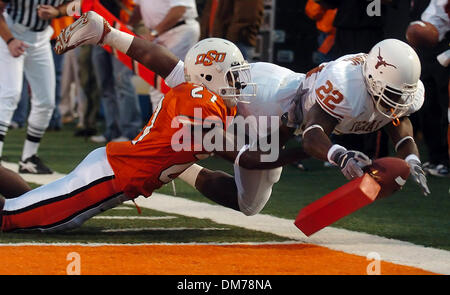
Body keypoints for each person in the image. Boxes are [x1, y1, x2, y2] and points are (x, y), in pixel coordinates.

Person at [57, 11, 430, 218]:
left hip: (280, 106)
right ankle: (180, 155)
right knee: (192, 89)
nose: (395, 102)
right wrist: (341, 155)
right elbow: (314, 134)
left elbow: (399, 120)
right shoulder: (345, 84)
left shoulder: (394, 89)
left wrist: (410, 156)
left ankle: (108, 34)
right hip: (268, 100)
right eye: (391, 94)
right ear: (371, 77)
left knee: (249, 203)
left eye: (402, 96)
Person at [1, 12, 305, 232]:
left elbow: (157, 57)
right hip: (107, 180)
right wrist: (306, 145)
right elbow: (249, 159)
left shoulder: (196, 93)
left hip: (109, 171)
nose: (239, 85)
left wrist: (109, 35)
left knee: (27, 203)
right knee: (11, 217)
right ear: (209, 77)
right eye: (233, 76)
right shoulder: (201, 103)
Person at [0, 0, 77, 174]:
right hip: (10, 33)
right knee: (9, 95)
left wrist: (57, 12)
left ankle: (28, 158)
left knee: (47, 101)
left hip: (41, 38)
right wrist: (10, 40)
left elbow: (79, 4)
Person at [128, 0, 200, 112]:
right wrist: (128, 25)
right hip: (160, 34)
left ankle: (165, 125)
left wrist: (154, 33)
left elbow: (179, 10)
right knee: (160, 82)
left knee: (164, 81)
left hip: (179, 30)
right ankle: (165, 123)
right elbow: (139, 7)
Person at [89, 0, 142, 143]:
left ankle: (130, 131)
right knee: (105, 84)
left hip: (121, 30)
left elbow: (135, 6)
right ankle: (112, 130)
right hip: (98, 32)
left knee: (122, 81)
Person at [199, 0, 264, 62]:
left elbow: (247, 17)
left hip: (235, 44)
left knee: (238, 72)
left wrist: (229, 42)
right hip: (218, 43)